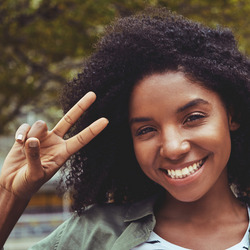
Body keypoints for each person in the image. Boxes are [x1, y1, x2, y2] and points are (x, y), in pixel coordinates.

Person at [0, 7, 250, 250]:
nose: (173, 148)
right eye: (145, 130)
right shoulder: (91, 235)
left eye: (193, 117)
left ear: (233, 115)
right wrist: (9, 196)